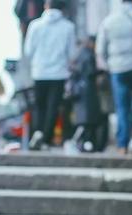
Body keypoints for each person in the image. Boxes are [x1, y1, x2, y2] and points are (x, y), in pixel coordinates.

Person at [96, 0, 132, 154]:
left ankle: (122, 144)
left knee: (122, 106)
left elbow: (100, 49)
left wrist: (106, 67)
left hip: (118, 68)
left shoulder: (109, 21)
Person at [24, 0, 76, 150]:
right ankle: (46, 139)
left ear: (46, 6)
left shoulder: (35, 25)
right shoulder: (68, 27)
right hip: (59, 73)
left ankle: (38, 132)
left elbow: (28, 51)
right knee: (53, 107)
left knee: (39, 106)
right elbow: (71, 54)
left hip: (39, 72)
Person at [70, 36, 102, 152]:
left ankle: (82, 142)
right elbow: (90, 71)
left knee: (84, 119)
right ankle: (80, 141)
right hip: (87, 90)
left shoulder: (79, 54)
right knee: (87, 119)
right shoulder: (87, 55)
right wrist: (101, 71)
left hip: (80, 90)